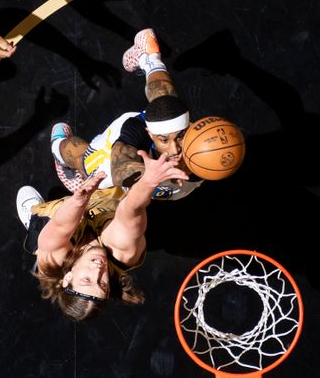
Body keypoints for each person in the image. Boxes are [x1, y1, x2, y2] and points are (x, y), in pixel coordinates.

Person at [16, 149, 188, 321]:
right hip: (107, 196)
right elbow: (131, 210)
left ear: (68, 277)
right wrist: (149, 181)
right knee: (116, 162)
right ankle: (83, 181)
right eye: (102, 284)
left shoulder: (53, 262)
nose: (98, 271)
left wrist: (79, 200)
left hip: (63, 215)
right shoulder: (123, 252)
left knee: (45, 237)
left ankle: (34, 218)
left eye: (86, 280)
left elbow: (61, 226)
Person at [50, 28, 204, 201]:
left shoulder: (192, 133)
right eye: (164, 140)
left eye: (181, 136)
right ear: (149, 133)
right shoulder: (134, 132)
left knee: (166, 101)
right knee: (90, 169)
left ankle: (148, 56)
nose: (175, 149)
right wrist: (153, 176)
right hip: (117, 146)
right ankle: (58, 144)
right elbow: (119, 169)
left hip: (161, 121)